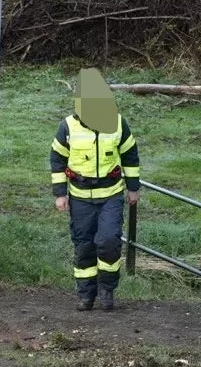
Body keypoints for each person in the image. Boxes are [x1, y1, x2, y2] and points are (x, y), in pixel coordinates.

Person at [50, 68, 141, 311]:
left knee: (109, 241)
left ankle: (107, 290)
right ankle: (86, 295)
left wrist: (133, 188)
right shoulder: (67, 127)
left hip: (110, 195)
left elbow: (130, 156)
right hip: (79, 198)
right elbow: (57, 160)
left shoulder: (119, 124)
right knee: (84, 246)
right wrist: (60, 194)